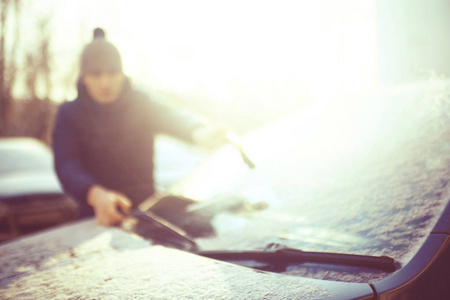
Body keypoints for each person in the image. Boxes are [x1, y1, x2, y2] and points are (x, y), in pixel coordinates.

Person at [52, 28, 227, 226]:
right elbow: (66, 164)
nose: (105, 82)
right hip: (95, 218)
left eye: (112, 73)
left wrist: (198, 131)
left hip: (148, 213)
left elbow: (169, 116)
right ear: (84, 77)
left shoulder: (141, 104)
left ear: (122, 74)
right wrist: (94, 194)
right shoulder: (69, 114)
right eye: (96, 74)